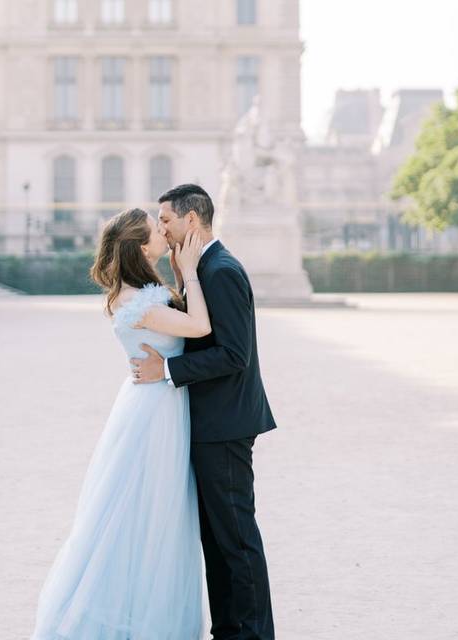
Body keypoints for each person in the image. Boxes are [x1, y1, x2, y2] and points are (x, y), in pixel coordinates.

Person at [29, 207, 211, 639]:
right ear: (140, 245)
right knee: (146, 514)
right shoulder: (138, 300)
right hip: (154, 413)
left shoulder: (139, 292)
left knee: (152, 514)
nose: (164, 232)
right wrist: (190, 272)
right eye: (156, 229)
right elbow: (200, 326)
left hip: (154, 402)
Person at [131, 184, 277, 640]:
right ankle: (229, 630)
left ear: (191, 221)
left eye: (167, 220)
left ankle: (252, 634)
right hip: (211, 423)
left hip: (226, 425)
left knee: (235, 538)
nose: (163, 228)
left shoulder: (221, 270)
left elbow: (235, 354)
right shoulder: (202, 268)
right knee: (215, 538)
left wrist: (168, 370)